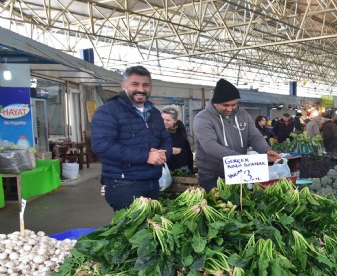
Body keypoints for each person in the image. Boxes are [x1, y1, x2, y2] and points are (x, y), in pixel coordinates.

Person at [91, 66, 172, 212]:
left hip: (152, 181)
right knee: (131, 230)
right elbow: (101, 145)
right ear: (123, 86)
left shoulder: (153, 113)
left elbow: (165, 138)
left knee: (149, 228)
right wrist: (146, 156)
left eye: (145, 85)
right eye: (135, 84)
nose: (141, 89)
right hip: (124, 183)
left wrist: (163, 154)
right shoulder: (108, 111)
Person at [192, 78, 281, 192]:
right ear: (215, 103)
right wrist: (239, 158)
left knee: (240, 205)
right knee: (217, 206)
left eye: (233, 104)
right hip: (213, 174)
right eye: (225, 105)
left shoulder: (242, 114)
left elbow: (254, 136)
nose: (230, 108)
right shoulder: (203, 118)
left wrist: (265, 150)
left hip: (238, 170)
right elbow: (209, 145)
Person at [161, 107, 194, 173]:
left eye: (168, 120)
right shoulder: (156, 129)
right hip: (163, 165)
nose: (164, 122)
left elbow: (182, 145)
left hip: (179, 166)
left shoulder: (179, 129)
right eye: (162, 119)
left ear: (175, 120)